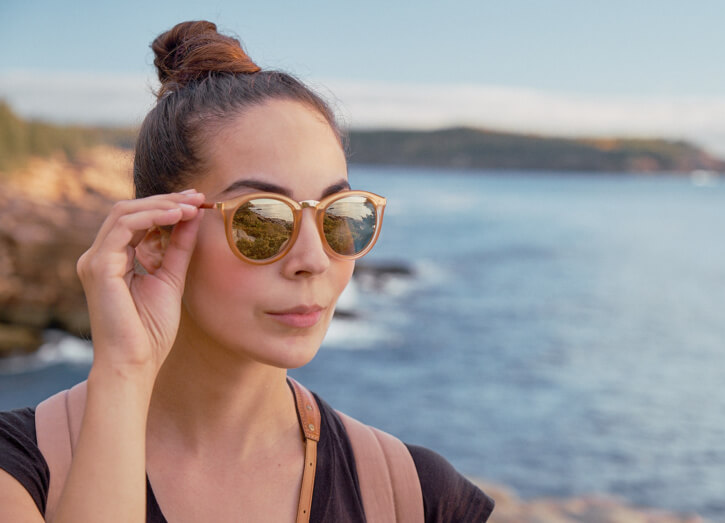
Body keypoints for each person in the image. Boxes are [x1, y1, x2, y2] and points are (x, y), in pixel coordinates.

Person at [0, 20, 494, 522]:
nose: (314, 259)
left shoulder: (422, 497)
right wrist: (123, 372)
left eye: (342, 217)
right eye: (262, 220)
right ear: (157, 237)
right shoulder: (20, 471)